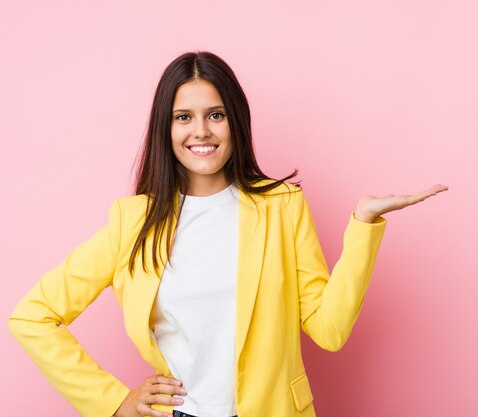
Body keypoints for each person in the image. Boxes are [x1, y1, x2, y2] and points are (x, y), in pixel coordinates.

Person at [7, 51, 448, 417]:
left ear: (235, 120)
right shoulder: (133, 222)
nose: (201, 130)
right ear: (167, 127)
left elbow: (328, 330)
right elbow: (33, 316)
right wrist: (113, 401)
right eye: (184, 117)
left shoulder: (282, 206)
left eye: (215, 114)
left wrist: (364, 226)